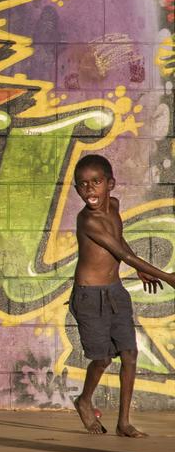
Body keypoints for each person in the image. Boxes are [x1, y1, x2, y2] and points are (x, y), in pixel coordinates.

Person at [69, 154, 174, 437]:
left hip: (115, 292)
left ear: (110, 184)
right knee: (102, 359)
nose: (89, 189)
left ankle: (124, 422)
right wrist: (167, 277)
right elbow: (123, 254)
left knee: (129, 354)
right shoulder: (87, 221)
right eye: (82, 185)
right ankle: (84, 400)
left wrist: (139, 269)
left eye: (96, 182)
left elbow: (119, 240)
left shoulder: (113, 206)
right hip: (89, 297)